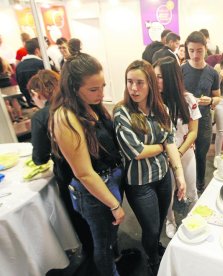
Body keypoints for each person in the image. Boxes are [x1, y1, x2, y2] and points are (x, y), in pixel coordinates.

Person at [49, 53, 125, 276]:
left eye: (102, 86)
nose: (101, 94)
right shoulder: (65, 117)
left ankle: (115, 263)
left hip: (108, 180)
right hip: (93, 190)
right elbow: (83, 172)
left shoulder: (92, 105)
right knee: (101, 244)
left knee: (109, 239)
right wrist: (114, 204)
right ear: (73, 88)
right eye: (93, 89)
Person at [113, 60, 186, 275]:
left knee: (161, 220)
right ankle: (153, 261)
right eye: (129, 82)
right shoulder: (122, 112)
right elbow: (135, 152)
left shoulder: (160, 108)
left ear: (151, 84)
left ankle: (154, 248)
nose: (133, 88)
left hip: (162, 176)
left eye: (139, 83)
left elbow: (171, 141)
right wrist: (162, 145)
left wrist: (179, 175)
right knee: (151, 228)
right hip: (139, 184)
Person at [27, 69, 96, 269]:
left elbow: (39, 157)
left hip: (69, 177)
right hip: (95, 170)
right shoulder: (75, 106)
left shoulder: (41, 116)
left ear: (37, 93)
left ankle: (93, 259)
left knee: (81, 220)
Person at [153, 56, 201, 238]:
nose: (155, 80)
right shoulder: (153, 102)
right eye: (154, 76)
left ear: (171, 77)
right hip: (162, 158)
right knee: (168, 195)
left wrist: (179, 153)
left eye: (160, 76)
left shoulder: (188, 99)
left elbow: (194, 132)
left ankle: (194, 219)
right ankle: (170, 221)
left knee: (191, 189)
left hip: (185, 154)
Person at [182, 31, 220, 193]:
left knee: (201, 155)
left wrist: (211, 101)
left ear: (206, 49)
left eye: (199, 50)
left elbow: (218, 97)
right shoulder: (181, 69)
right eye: (191, 51)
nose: (195, 54)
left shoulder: (212, 73)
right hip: (183, 120)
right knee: (184, 155)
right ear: (186, 50)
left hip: (203, 120)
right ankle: (182, 187)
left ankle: (200, 185)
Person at [15, 38, 45, 107]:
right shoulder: (42, 64)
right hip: (45, 101)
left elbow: (21, 85)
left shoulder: (19, 66)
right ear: (37, 50)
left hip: (31, 101)